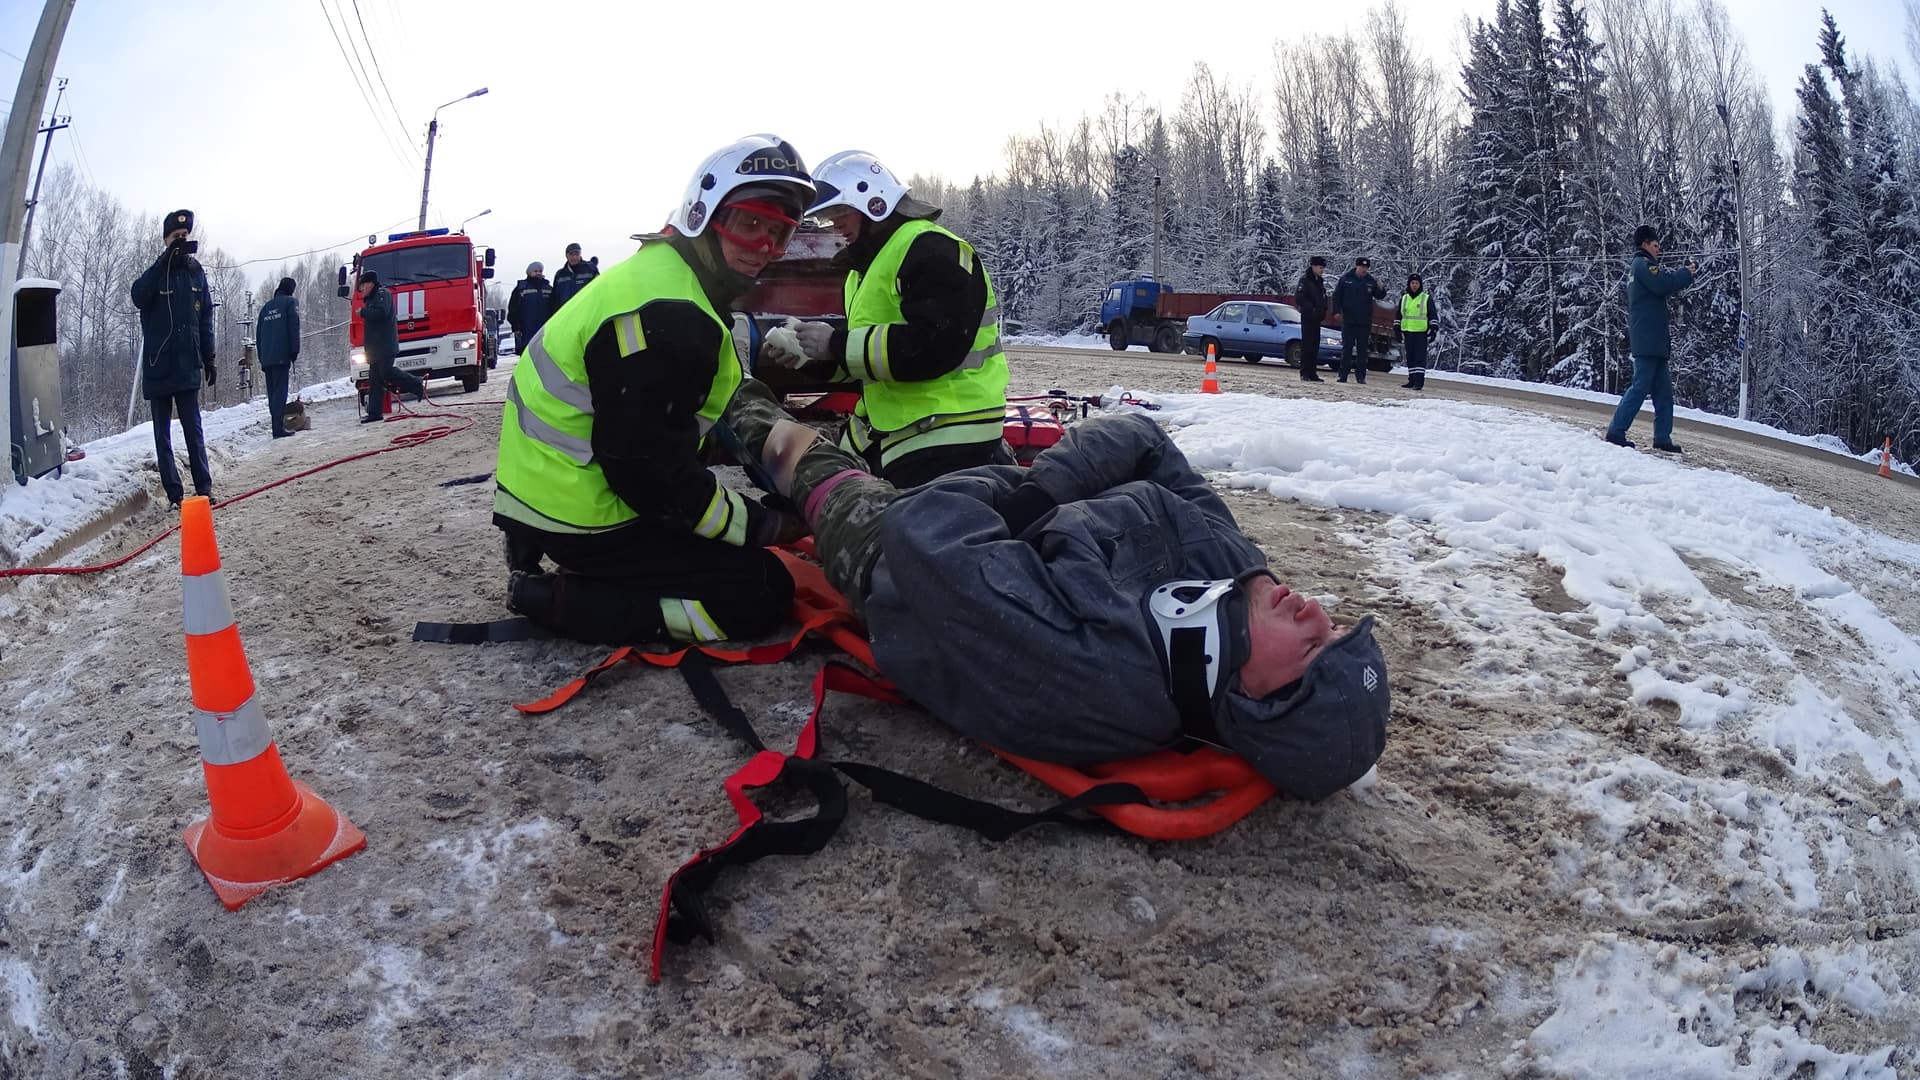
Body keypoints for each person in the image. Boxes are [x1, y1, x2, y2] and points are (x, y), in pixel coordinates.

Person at [715, 385, 1391, 801]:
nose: (1316, 613)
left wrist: (1019, 500)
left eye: (1311, 650)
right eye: (1332, 630)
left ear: (1251, 703)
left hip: (905, 567)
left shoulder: (1092, 671)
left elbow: (923, 529)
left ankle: (721, 395)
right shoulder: (1236, 571)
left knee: (800, 453)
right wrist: (1041, 489)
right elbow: (1144, 438)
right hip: (1001, 507)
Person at [496, 134, 819, 646]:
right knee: (760, 591)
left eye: (780, 234)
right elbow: (651, 479)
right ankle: (565, 601)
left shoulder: (659, 277)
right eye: (750, 224)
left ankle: (538, 540)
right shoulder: (670, 312)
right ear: (701, 215)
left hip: (545, 487)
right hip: (586, 511)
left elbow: (653, 422)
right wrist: (759, 526)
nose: (765, 250)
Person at [759, 150, 1010, 488]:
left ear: (873, 204)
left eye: (840, 213)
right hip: (903, 429)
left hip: (947, 432)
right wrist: (811, 357)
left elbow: (933, 347)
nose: (835, 225)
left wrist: (834, 343)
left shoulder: (932, 249)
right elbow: (870, 362)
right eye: (828, 216)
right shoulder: (863, 271)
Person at [130, 208, 217, 508]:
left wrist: (210, 357)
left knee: (194, 429)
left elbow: (205, 318)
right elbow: (138, 296)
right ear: (166, 240)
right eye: (175, 237)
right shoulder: (156, 273)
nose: (181, 241)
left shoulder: (196, 273)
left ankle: (204, 489)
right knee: (162, 435)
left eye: (185, 236)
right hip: (159, 367)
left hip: (188, 364)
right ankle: (175, 495)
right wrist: (163, 262)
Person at [1606, 225, 1696, 452]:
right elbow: (1663, 284)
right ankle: (1616, 430)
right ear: (1645, 244)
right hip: (1648, 339)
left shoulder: (1642, 266)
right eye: (1655, 245)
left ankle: (1662, 438)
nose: (1658, 250)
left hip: (1654, 340)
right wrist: (1686, 273)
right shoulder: (1643, 265)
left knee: (1663, 393)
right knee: (1639, 387)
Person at [357, 270, 427, 422]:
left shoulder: (383, 295)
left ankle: (416, 384)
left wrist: (364, 312)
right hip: (375, 348)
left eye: (363, 285)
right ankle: (375, 413)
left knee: (387, 372)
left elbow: (381, 313)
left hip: (385, 346)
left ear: (370, 284)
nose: (362, 289)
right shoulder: (371, 299)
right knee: (375, 380)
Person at [256, 276, 301, 437]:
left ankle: (276, 426)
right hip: (281, 355)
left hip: (267, 358)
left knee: (272, 393)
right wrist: (294, 351)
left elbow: (258, 335)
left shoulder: (265, 308)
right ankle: (278, 429)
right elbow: (293, 327)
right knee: (280, 394)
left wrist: (262, 357)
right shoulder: (290, 303)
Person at [1329, 256, 1385, 384]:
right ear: (1357, 266)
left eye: (1366, 267)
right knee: (1347, 348)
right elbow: (1337, 296)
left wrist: (1381, 288)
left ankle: (1361, 376)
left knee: (1362, 350)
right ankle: (1343, 375)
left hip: (1364, 321)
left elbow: (1379, 295)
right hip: (1348, 320)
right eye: (1361, 267)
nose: (1363, 269)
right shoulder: (1346, 279)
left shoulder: (1370, 281)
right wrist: (1336, 311)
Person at [1294, 256, 1329, 382]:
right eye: (1320, 267)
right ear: (1313, 266)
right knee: (1307, 345)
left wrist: (1323, 310)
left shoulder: (1319, 282)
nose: (1322, 270)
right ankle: (1305, 373)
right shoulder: (1305, 281)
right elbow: (1299, 298)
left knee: (1315, 346)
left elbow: (1323, 298)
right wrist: (1311, 309)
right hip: (1308, 317)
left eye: (1323, 268)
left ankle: (1312, 372)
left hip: (1317, 319)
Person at [507, 262, 554, 352]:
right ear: (529, 272)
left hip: (544, 331)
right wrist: (516, 327)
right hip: (526, 331)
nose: (538, 273)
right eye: (535, 271)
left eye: (540, 271)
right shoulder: (521, 289)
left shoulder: (548, 289)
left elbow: (554, 308)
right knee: (528, 356)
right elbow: (513, 309)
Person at [1398, 274, 1430, 391]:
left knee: (1419, 358)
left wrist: (1434, 328)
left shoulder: (1425, 298)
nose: (1414, 285)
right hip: (1408, 331)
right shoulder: (1404, 298)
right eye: (1412, 283)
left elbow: (1432, 314)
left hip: (1420, 332)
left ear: (1420, 284)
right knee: (1410, 357)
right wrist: (1397, 328)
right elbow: (1399, 314)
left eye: (1416, 283)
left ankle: (1419, 381)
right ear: (1409, 284)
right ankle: (1411, 380)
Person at [549, 243, 600, 311]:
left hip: (586, 311)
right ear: (566, 255)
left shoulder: (590, 269)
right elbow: (555, 299)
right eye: (571, 254)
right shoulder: (560, 275)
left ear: (580, 254)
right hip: (567, 313)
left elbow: (598, 290)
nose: (574, 257)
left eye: (577, 254)